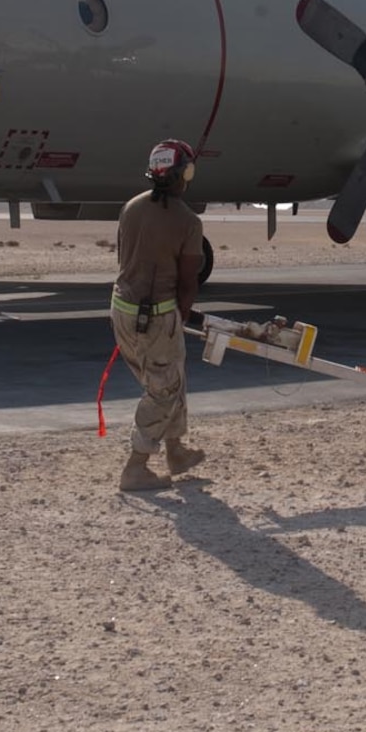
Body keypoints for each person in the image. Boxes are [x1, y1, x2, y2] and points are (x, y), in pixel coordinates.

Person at [110, 139, 207, 491]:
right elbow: (187, 281)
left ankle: (176, 450)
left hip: (122, 309)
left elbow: (124, 257)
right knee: (163, 390)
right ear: (183, 174)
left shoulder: (131, 207)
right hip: (156, 316)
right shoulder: (188, 222)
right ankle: (136, 466)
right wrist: (180, 314)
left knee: (172, 376)